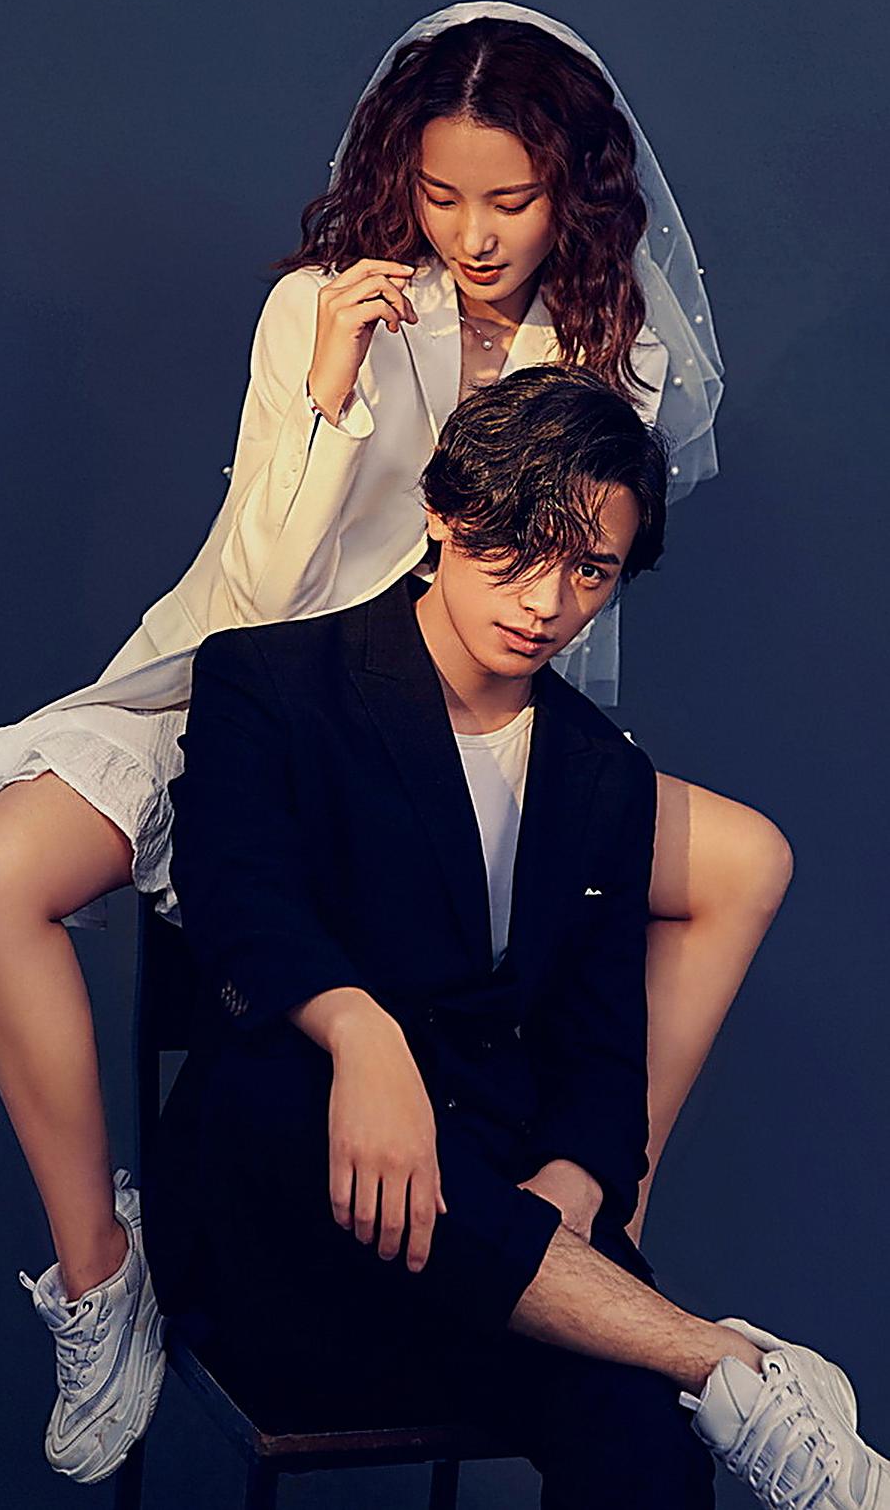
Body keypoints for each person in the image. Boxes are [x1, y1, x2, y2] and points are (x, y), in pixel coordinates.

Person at [0, 2, 790, 1481]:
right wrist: (328, 395)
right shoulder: (320, 306)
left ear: (572, 190)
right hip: (250, 683)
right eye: (443, 196)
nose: (474, 235)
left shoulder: (609, 346)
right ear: (403, 173)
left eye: (512, 200)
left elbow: (565, 599)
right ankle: (99, 1281)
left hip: (453, 703)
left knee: (745, 863)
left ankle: (586, 1235)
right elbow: (258, 595)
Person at [151, 367, 885, 1510]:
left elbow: (603, 1051)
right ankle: (728, 1363)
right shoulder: (274, 682)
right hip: (296, 1239)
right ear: (443, 514)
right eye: (519, 548)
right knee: (292, 1087)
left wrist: (578, 1179)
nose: (547, 601)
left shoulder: (603, 775)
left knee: (646, 1442)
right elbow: (236, 900)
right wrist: (360, 1034)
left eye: (589, 569)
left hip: (490, 1256)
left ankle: (700, 1373)